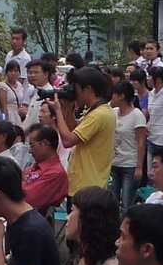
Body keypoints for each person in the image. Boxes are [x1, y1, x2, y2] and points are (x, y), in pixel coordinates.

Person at [49, 66, 116, 195]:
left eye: (76, 89)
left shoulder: (98, 115)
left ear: (88, 89)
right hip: (85, 183)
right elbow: (73, 129)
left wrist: (57, 110)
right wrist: (67, 108)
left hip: (87, 188)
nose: (75, 94)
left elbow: (68, 141)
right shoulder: (96, 111)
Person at [111, 80, 148, 205]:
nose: (112, 96)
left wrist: (139, 167)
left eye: (114, 94)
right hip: (115, 163)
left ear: (122, 96)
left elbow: (141, 143)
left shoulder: (137, 115)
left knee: (127, 202)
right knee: (113, 201)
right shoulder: (113, 112)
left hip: (130, 164)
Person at [20, 125, 69, 213]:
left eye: (32, 145)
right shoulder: (33, 167)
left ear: (45, 144)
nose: (30, 151)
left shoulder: (55, 173)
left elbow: (27, 199)